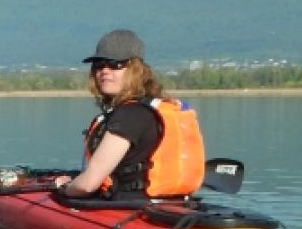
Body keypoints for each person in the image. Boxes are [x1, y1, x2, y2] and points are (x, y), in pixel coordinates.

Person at [53, 29, 205, 199]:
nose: (104, 70)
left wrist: (64, 187)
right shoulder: (147, 109)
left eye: (115, 64)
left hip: (131, 209)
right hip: (166, 205)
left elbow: (88, 184)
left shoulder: (129, 116)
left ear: (136, 69)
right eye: (99, 64)